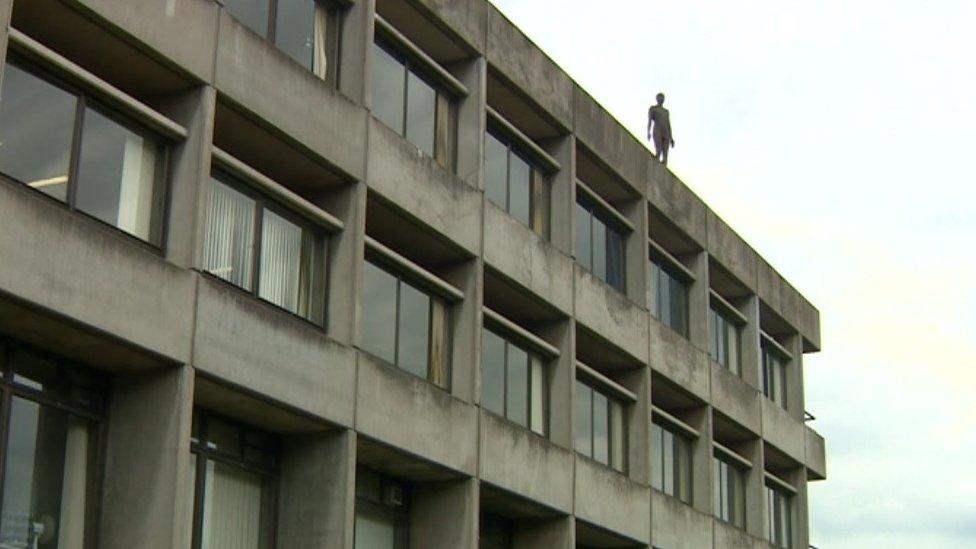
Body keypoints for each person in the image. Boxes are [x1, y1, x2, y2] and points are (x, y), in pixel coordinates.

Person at [647, 93, 675, 165]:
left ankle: (664, 164)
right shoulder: (653, 108)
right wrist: (648, 131)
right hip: (657, 129)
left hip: (666, 132)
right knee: (658, 150)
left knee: (665, 154)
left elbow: (668, 124)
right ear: (657, 99)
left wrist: (671, 137)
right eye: (660, 97)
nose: (661, 99)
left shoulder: (666, 112)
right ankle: (657, 160)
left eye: (662, 98)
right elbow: (649, 120)